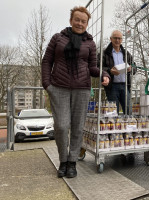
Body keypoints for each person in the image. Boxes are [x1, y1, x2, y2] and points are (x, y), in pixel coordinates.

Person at [42, 6, 110, 178]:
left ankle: (72, 163)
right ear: (71, 20)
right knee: (61, 126)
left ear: (87, 23)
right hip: (58, 88)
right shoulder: (58, 38)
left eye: (83, 21)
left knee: (78, 128)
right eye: (77, 19)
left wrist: (104, 73)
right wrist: (47, 84)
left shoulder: (90, 43)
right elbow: (46, 61)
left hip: (82, 89)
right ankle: (63, 160)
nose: (80, 23)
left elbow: (92, 67)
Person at [101, 30, 136, 114]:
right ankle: (115, 127)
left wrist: (131, 69)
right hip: (112, 86)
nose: (117, 40)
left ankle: (128, 126)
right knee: (113, 113)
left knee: (129, 112)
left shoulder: (126, 53)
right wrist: (109, 71)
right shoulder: (105, 53)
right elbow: (98, 67)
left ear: (122, 40)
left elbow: (135, 67)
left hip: (125, 85)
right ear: (111, 39)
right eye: (115, 38)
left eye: (119, 38)